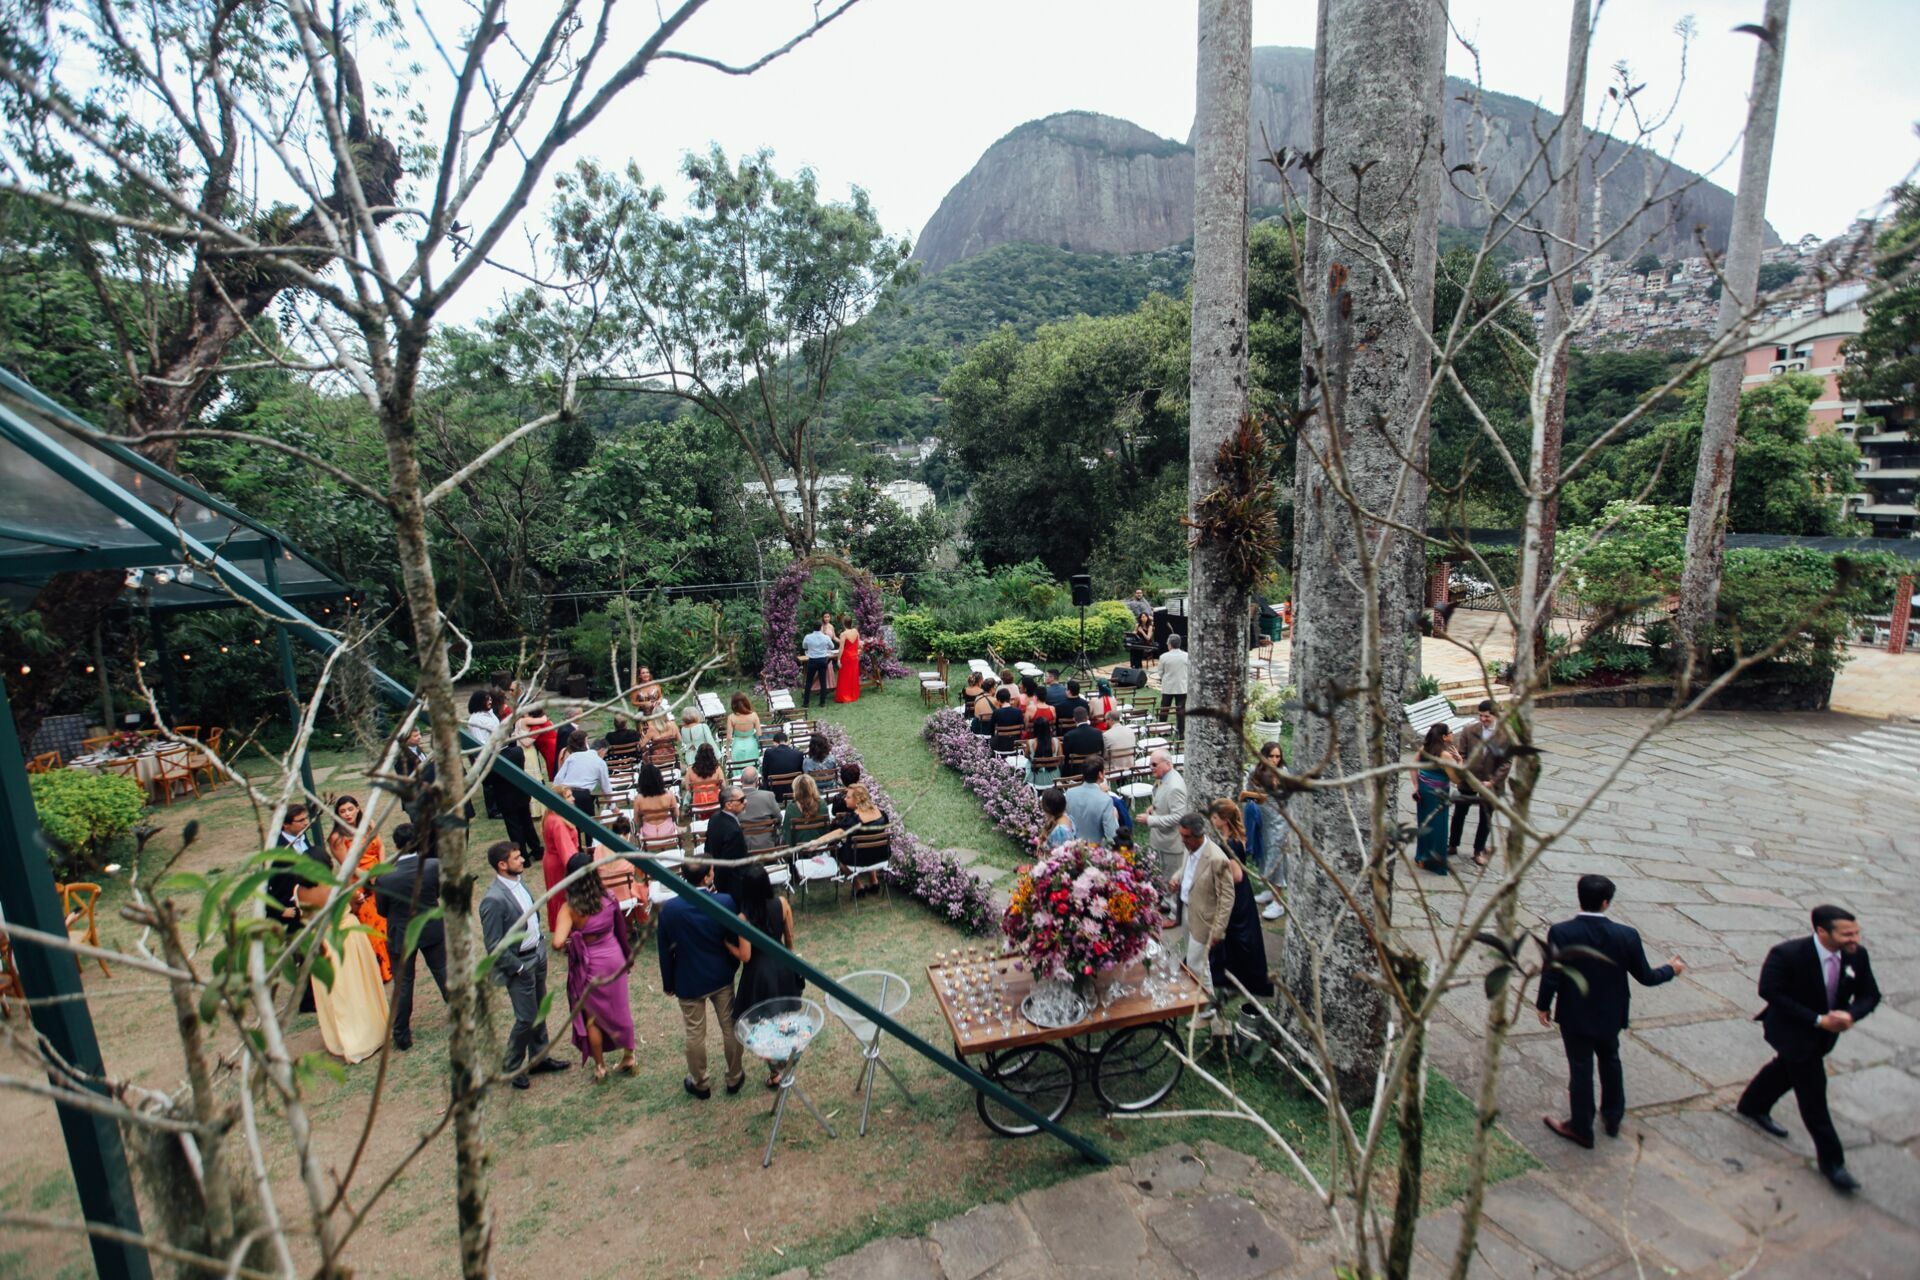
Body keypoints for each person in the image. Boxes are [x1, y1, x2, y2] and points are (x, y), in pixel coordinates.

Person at [1736, 905, 1881, 1193]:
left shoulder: (1857, 955)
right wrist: (1817, 1020)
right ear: (1822, 931)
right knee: (1813, 1097)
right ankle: (1833, 1163)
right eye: (1847, 934)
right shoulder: (1787, 954)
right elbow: (1770, 991)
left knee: (1785, 1068)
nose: (1855, 939)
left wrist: (1850, 1015)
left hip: (1823, 1038)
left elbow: (1870, 994)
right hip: (1792, 1031)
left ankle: (1752, 1105)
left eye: (1856, 932)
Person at [1536, 874, 1685, 1149]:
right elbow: (1646, 976)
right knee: (1610, 1059)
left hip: (1575, 1014)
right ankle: (1613, 1115)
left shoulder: (1562, 932)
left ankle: (1581, 1127)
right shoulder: (1626, 935)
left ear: (1579, 897)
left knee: (1580, 1068)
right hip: (1611, 1014)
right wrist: (1671, 970)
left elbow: (1551, 974)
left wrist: (1543, 1004)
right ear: (1606, 903)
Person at [655, 856, 748, 1099]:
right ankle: (734, 1076)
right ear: (707, 877)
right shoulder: (725, 901)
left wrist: (668, 983)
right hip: (721, 975)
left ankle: (700, 1082)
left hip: (688, 979)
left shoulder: (670, 910)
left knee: (695, 1033)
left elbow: (664, 951)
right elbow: (733, 936)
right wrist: (732, 965)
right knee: (729, 1026)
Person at [478, 841, 569, 1089]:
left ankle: (539, 1058)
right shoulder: (493, 900)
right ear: (502, 864)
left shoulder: (519, 882)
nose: (522, 860)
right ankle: (511, 1067)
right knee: (526, 1018)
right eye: (517, 858)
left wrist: (539, 946)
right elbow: (494, 945)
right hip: (520, 965)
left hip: (536, 955)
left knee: (539, 1011)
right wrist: (517, 968)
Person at [552, 852, 638, 1083]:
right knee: (621, 1008)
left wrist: (575, 939)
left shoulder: (570, 908)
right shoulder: (608, 897)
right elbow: (620, 929)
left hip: (591, 964)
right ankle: (629, 1056)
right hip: (614, 958)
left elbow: (557, 942)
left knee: (592, 1019)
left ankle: (600, 1067)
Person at [372, 823, 445, 1051]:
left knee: (403, 984)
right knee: (443, 972)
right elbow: (437, 892)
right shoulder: (432, 866)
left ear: (396, 845)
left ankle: (402, 1033)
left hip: (402, 932)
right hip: (430, 927)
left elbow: (382, 910)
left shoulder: (385, 877)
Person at [733, 864, 804, 1085]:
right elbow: (790, 938)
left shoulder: (743, 918)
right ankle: (788, 1057)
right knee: (783, 1017)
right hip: (783, 965)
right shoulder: (782, 904)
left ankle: (776, 1071)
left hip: (760, 973)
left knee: (765, 1023)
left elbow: (745, 956)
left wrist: (727, 945)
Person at [1208, 799, 1276, 1008]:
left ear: (1224, 819)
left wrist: (1217, 873)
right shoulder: (1233, 838)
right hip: (1242, 893)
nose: (1212, 820)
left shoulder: (1230, 844)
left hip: (1236, 894)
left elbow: (1236, 876)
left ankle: (1238, 976)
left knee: (1237, 935)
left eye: (1215, 817)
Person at [1173, 812, 1234, 1032]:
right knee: (1198, 963)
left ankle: (1207, 1011)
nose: (1182, 840)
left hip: (1204, 921)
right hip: (1188, 911)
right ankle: (1202, 999)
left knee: (1196, 964)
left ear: (1199, 835)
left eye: (1186, 836)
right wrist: (1177, 878)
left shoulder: (1217, 858)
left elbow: (1227, 897)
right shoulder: (1189, 849)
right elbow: (1188, 870)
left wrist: (1218, 930)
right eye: (1181, 835)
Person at [326, 795, 392, 982]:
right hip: (360, 883)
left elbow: (380, 847)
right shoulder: (337, 838)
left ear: (357, 808)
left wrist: (381, 870)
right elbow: (347, 865)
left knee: (387, 921)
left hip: (379, 877)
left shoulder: (369, 824)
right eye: (342, 811)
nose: (347, 814)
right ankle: (382, 970)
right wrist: (368, 877)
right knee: (372, 925)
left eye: (350, 809)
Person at [794, 782, 888, 895]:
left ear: (857, 800)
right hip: (881, 855)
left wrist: (817, 842)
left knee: (839, 855)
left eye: (848, 797)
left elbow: (838, 833)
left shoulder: (855, 819)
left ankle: (858, 886)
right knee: (870, 845)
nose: (844, 799)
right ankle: (874, 881)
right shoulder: (880, 813)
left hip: (859, 859)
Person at [1450, 700, 1511, 868]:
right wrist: (1469, 777)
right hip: (1469, 780)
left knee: (1486, 817)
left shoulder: (1505, 734)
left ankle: (1478, 850)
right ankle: (1452, 844)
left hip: (1491, 783)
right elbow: (1462, 755)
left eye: (1487, 717)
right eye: (1481, 716)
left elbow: (1506, 763)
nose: (1483, 719)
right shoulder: (1469, 730)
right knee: (1459, 813)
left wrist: (1492, 782)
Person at [1244, 758, 1290, 921]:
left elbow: (1288, 799)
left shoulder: (1283, 774)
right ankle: (1270, 891)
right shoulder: (1256, 771)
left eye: (1277, 756)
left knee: (1276, 859)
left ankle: (1278, 903)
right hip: (1263, 819)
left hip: (1279, 821)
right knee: (1264, 856)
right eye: (1271, 755)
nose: (1274, 759)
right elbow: (1248, 793)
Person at [1414, 724, 1461, 876]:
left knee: (1424, 823)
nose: (1452, 734)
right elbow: (1456, 779)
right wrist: (1460, 761)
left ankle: (1422, 857)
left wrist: (1416, 786)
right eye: (1450, 732)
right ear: (1444, 737)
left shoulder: (1424, 748)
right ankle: (1435, 863)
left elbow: (1413, 765)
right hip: (1438, 795)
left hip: (1423, 791)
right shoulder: (1444, 755)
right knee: (1439, 827)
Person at [1141, 750, 1189, 878]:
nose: (1151, 768)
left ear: (1167, 764)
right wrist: (1154, 808)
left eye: (1154, 764)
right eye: (1150, 765)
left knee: (1171, 881)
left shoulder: (1175, 787)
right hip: (1163, 841)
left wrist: (1150, 820)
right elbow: (1165, 799)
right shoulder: (1166, 777)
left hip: (1171, 846)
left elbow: (1179, 817)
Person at [497, 738, 544, 864]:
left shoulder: (493, 759)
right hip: (521, 793)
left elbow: (487, 781)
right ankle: (537, 850)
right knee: (527, 823)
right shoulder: (517, 751)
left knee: (514, 828)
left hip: (505, 797)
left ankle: (523, 856)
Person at [540, 794, 583, 930]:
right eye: (569, 796)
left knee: (557, 895)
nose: (573, 798)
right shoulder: (558, 823)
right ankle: (567, 929)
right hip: (560, 864)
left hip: (551, 860)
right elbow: (567, 852)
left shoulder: (550, 816)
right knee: (563, 897)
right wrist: (578, 870)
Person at [704, 784, 750, 901]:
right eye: (741, 800)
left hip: (718, 876)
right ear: (729, 805)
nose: (745, 802)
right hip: (733, 886)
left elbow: (707, 848)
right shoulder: (734, 832)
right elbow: (729, 864)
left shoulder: (714, 818)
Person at [467, 690, 504, 819]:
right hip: (485, 756)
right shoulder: (475, 720)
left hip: (497, 752)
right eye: (487, 699)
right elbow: (480, 741)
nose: (490, 701)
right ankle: (493, 811)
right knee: (489, 784)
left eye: (490, 699)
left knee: (498, 782)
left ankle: (500, 805)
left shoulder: (490, 713)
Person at [1065, 760, 1120, 845]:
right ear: (1100, 774)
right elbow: (1111, 835)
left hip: (1073, 847)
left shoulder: (1069, 793)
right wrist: (1115, 818)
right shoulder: (1106, 800)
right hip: (1096, 849)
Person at [632, 763, 679, 847]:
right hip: (668, 831)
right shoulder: (669, 795)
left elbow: (636, 820)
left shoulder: (638, 799)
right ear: (659, 779)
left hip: (648, 834)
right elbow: (676, 814)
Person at [738, 766, 784, 849]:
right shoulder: (768, 796)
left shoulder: (734, 800)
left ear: (741, 780)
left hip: (742, 846)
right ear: (757, 781)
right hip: (767, 845)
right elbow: (779, 819)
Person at [782, 773, 827, 847]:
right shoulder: (822, 805)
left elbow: (787, 835)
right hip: (820, 847)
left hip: (798, 849)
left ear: (796, 789)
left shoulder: (791, 808)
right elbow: (826, 830)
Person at [759, 729, 806, 801]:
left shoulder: (768, 753)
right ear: (787, 742)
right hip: (794, 790)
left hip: (774, 792)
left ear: (774, 743)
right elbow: (801, 773)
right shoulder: (798, 754)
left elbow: (765, 773)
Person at [800, 619, 837, 708]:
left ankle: (806, 702)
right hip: (822, 660)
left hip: (812, 660)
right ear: (821, 627)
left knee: (809, 681)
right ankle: (822, 702)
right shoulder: (825, 637)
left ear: (813, 628)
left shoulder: (808, 637)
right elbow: (832, 646)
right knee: (823, 681)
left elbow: (804, 646)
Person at [1157, 634, 1190, 734]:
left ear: (1170, 644)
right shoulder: (1186, 656)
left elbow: (1160, 673)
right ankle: (1181, 732)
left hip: (1168, 688)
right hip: (1181, 687)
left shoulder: (1163, 657)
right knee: (1181, 710)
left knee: (1164, 709)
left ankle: (1162, 730)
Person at [519, 705, 558, 780]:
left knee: (556, 775)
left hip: (551, 751)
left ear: (532, 715)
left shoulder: (537, 727)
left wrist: (518, 735)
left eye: (526, 713)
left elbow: (527, 743)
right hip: (555, 747)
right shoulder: (545, 722)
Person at [1023, 716, 1062, 787]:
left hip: (1035, 780)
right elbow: (1060, 759)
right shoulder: (1056, 742)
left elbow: (1026, 756)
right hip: (1054, 780)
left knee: (1029, 761)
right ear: (1048, 728)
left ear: (1035, 729)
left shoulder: (1030, 742)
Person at [726, 692, 762, 769]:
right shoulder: (754, 715)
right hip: (751, 745)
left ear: (733, 705)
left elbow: (729, 738)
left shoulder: (731, 717)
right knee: (753, 769)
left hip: (737, 746)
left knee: (738, 770)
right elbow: (759, 734)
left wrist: (727, 750)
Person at [685, 743, 724, 812]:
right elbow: (723, 786)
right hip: (715, 802)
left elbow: (688, 788)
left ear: (698, 754)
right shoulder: (717, 769)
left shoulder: (690, 770)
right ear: (712, 755)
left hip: (698, 804)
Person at [834, 620, 863, 704]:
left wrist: (838, 659)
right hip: (854, 657)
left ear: (844, 624)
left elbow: (841, 648)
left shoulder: (843, 634)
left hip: (846, 657)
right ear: (851, 623)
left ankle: (844, 696)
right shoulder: (856, 631)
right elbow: (858, 645)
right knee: (853, 676)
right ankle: (853, 695)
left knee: (844, 677)